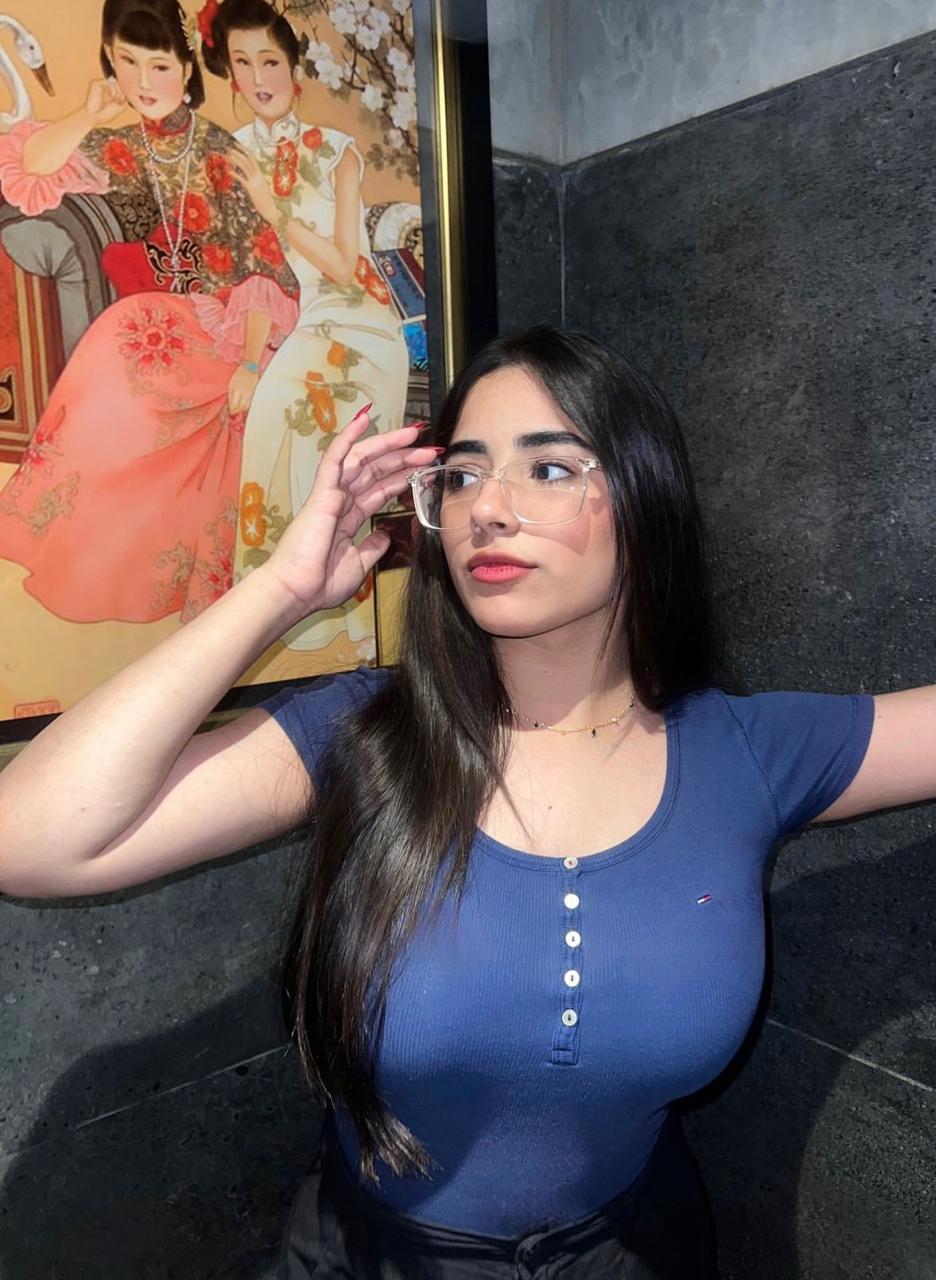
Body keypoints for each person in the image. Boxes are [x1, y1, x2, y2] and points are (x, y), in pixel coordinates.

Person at [0, 325, 929, 1279]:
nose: (487, 508)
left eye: (550, 469)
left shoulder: (748, 751)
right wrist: (281, 588)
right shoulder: (362, 733)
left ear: (644, 498)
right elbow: (28, 839)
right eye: (462, 475)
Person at [0, 0, 298, 626]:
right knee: (120, 345)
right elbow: (28, 168)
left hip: (244, 328)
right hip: (168, 324)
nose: (142, 81)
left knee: (132, 340)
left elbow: (263, 268)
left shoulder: (219, 151)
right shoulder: (117, 145)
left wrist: (249, 362)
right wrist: (88, 113)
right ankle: (84, 547)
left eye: (159, 66)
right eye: (126, 62)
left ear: (187, 70)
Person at [203, 0, 410, 656]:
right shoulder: (232, 156)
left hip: (361, 318)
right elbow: (249, 269)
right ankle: (276, 605)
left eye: (270, 61)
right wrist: (249, 356)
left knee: (302, 409)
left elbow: (346, 265)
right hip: (301, 318)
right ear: (230, 74)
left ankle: (344, 609)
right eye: (243, 63)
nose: (258, 77)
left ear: (294, 72)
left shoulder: (338, 151)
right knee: (272, 410)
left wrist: (274, 209)